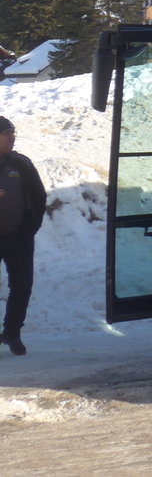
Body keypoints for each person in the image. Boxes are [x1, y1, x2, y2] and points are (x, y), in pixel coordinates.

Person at [0, 116, 46, 355]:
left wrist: (29, 230)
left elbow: (39, 198)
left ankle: (12, 333)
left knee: (22, 286)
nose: (11, 137)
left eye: (12, 132)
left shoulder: (21, 164)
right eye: (6, 133)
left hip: (18, 238)